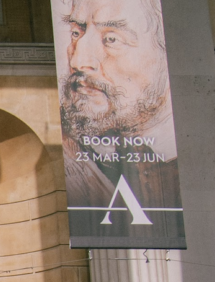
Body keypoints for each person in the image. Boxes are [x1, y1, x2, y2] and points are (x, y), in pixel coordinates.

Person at [55, 0, 183, 242]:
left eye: (111, 39)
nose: (78, 61)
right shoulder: (70, 151)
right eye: (76, 33)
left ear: (168, 50)